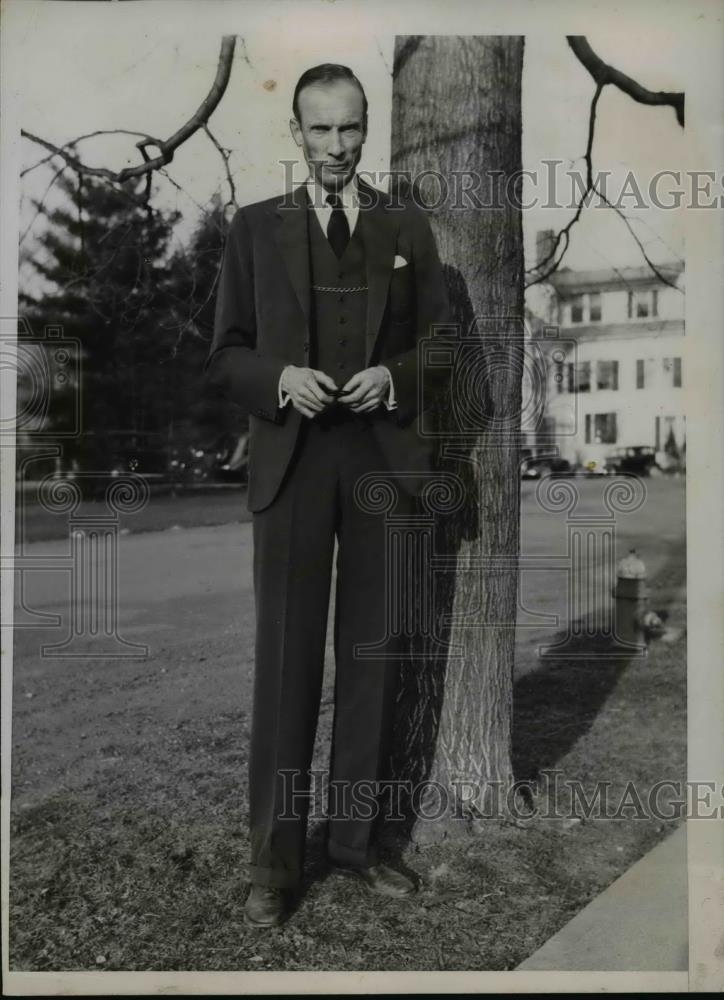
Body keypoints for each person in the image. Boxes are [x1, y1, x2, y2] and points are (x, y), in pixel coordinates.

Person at [204, 63, 451, 927]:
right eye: (321, 130)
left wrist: (394, 375)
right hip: (294, 464)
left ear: (366, 128)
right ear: (297, 134)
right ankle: (274, 867)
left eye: (351, 130)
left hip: (384, 465)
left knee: (372, 660)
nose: (338, 148)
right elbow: (226, 352)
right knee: (287, 663)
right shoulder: (253, 228)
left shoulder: (405, 225)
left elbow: (443, 347)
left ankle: (355, 847)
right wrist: (280, 381)